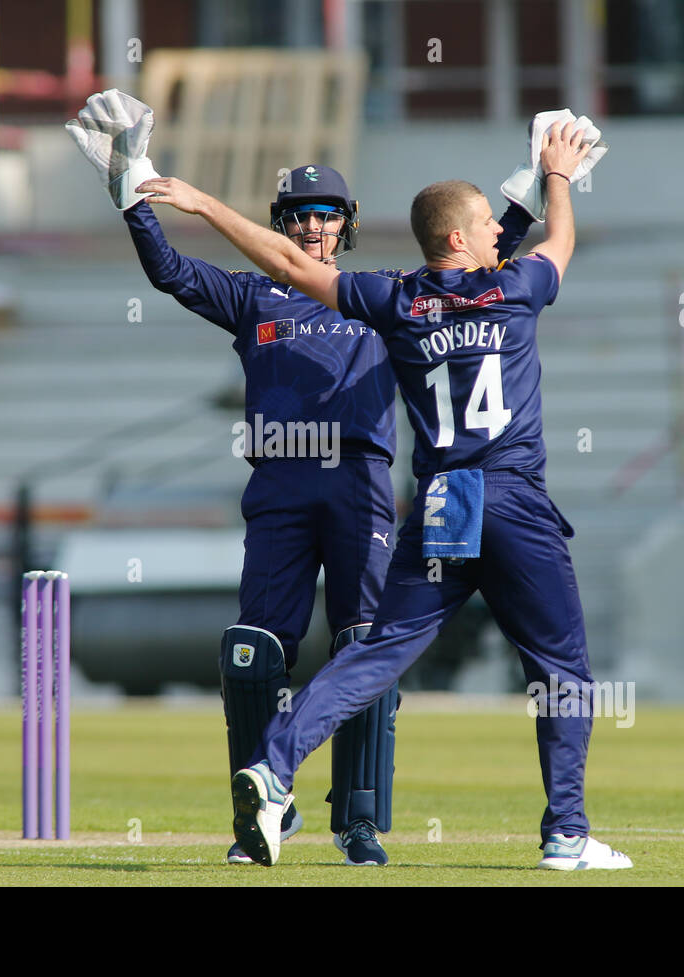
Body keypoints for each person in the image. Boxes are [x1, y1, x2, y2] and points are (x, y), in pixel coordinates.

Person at [139, 121, 633, 870]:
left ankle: (273, 767)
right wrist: (557, 175)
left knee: (378, 651)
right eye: (488, 231)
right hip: (510, 493)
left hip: (442, 499)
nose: (500, 239)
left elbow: (281, 262)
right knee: (560, 668)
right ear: (466, 240)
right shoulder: (518, 286)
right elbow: (557, 243)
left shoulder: (395, 300)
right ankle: (566, 832)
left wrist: (205, 204)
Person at [67, 90, 535, 866]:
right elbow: (171, 275)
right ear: (283, 224)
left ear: (344, 224)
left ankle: (357, 820)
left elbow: (480, 268)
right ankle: (264, 816)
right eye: (299, 215)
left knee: (362, 645)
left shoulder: (385, 294)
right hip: (280, 483)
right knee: (252, 650)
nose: (313, 227)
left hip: (358, 481)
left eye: (325, 215)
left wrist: (524, 190)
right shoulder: (253, 296)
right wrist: (131, 199)